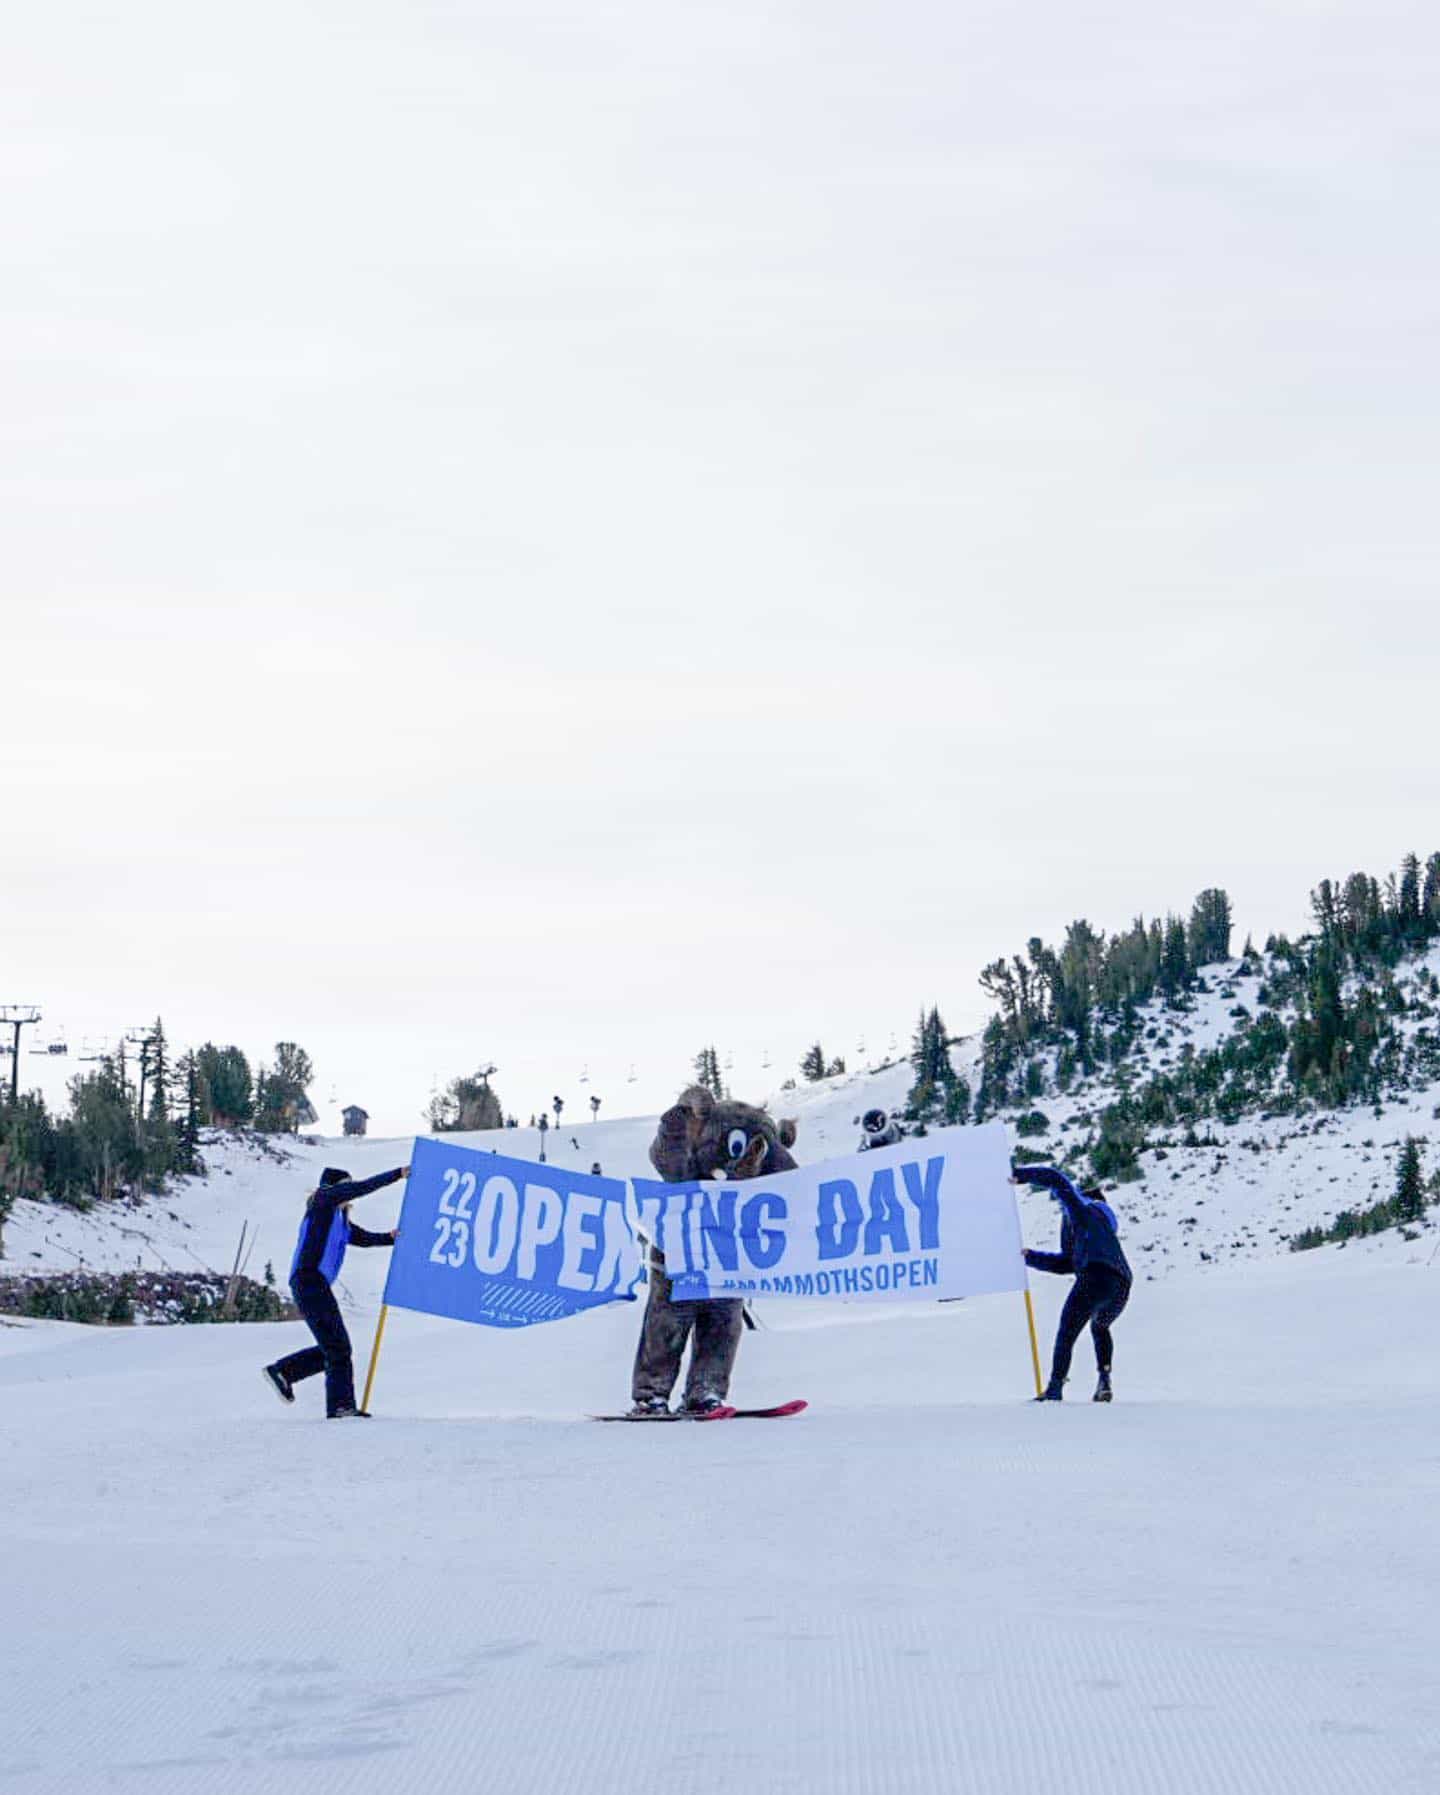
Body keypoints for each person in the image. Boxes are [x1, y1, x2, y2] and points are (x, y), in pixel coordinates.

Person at [262, 1164, 408, 1418]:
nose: (348, 1194)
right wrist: (398, 1174)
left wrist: (390, 1237)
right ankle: (340, 1407)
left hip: (313, 1283)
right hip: (308, 1280)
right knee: (338, 1348)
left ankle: (284, 1372)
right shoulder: (322, 1201)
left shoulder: (340, 1221)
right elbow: (361, 1187)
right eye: (345, 1188)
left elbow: (363, 1238)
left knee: (334, 1348)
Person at [1015, 1163, 1131, 1402]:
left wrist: (1019, 1175)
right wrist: (1030, 1257)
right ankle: (1104, 1381)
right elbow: (1066, 1264)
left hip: (1095, 1276)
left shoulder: (1084, 1212)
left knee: (1066, 1331)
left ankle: (1055, 1389)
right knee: (1100, 1327)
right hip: (1121, 1285)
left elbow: (1055, 1179)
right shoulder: (1103, 1229)